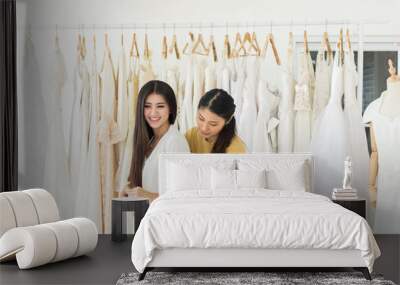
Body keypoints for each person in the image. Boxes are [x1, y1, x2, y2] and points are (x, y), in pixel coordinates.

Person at [119, 80, 189, 201]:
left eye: (160, 106)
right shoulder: (149, 140)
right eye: (147, 106)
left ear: (171, 109)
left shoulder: (175, 142)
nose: (153, 113)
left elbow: (182, 196)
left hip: (165, 218)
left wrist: (146, 195)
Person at [185, 89, 247, 153]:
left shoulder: (236, 148)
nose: (204, 128)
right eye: (201, 119)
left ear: (227, 121)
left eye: (213, 124)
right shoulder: (191, 135)